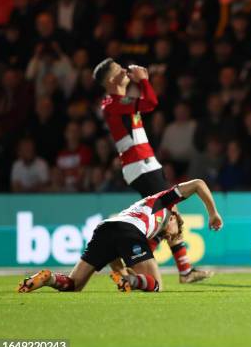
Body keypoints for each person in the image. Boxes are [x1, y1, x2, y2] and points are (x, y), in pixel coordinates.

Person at [92, 58, 211, 283]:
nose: (125, 70)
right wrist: (145, 81)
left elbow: (147, 103)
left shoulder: (118, 101)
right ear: (110, 79)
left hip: (146, 164)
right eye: (119, 69)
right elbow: (150, 103)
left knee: (167, 215)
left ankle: (129, 263)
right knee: (168, 213)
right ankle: (128, 260)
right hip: (140, 167)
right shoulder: (111, 103)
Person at [18, 179, 223, 293]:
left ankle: (47, 278)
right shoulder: (165, 202)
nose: (172, 237)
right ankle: (131, 283)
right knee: (157, 284)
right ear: (174, 218)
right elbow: (198, 183)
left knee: (73, 285)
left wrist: (125, 277)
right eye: (176, 231)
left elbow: (117, 261)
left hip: (106, 229)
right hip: (127, 230)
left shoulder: (150, 231)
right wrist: (213, 213)